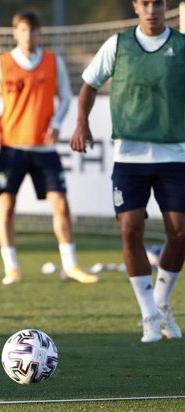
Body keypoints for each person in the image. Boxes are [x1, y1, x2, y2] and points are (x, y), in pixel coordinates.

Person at [70, 0, 184, 343]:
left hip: (174, 154)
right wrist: (81, 125)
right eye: (145, 3)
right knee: (130, 230)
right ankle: (148, 313)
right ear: (136, 6)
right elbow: (90, 84)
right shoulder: (118, 45)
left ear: (167, 7)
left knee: (180, 234)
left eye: (158, 3)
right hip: (129, 156)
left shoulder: (181, 46)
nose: (152, 9)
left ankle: (161, 302)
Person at [0, 10, 99, 286]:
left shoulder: (53, 62)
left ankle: (71, 265)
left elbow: (66, 98)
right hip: (11, 147)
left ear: (39, 33)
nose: (28, 35)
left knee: (61, 204)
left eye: (32, 30)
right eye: (22, 29)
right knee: (6, 207)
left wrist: (56, 122)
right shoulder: (2, 64)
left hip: (44, 150)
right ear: (14, 32)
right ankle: (11, 267)